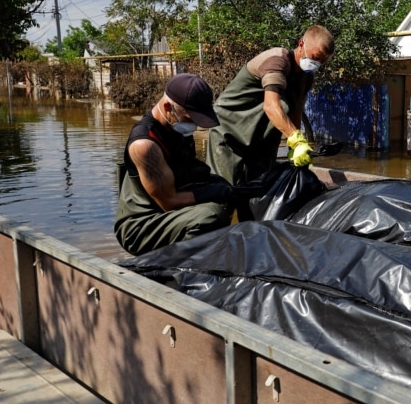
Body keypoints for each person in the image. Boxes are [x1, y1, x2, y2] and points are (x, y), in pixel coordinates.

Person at [115, 73, 236, 256]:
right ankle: (176, 268)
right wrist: (215, 193)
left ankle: (208, 255)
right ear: (167, 107)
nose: (195, 126)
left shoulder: (177, 130)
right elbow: (169, 202)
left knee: (225, 190)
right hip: (141, 226)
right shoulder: (145, 145)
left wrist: (227, 190)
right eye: (190, 119)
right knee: (212, 215)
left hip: (167, 213)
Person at [206, 25, 335, 185]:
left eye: (322, 61)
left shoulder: (305, 78)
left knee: (259, 190)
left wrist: (294, 147)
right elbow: (271, 105)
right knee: (224, 191)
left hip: (259, 136)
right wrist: (297, 141)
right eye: (315, 57)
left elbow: (296, 112)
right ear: (301, 44)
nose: (316, 63)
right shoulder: (277, 60)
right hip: (230, 129)